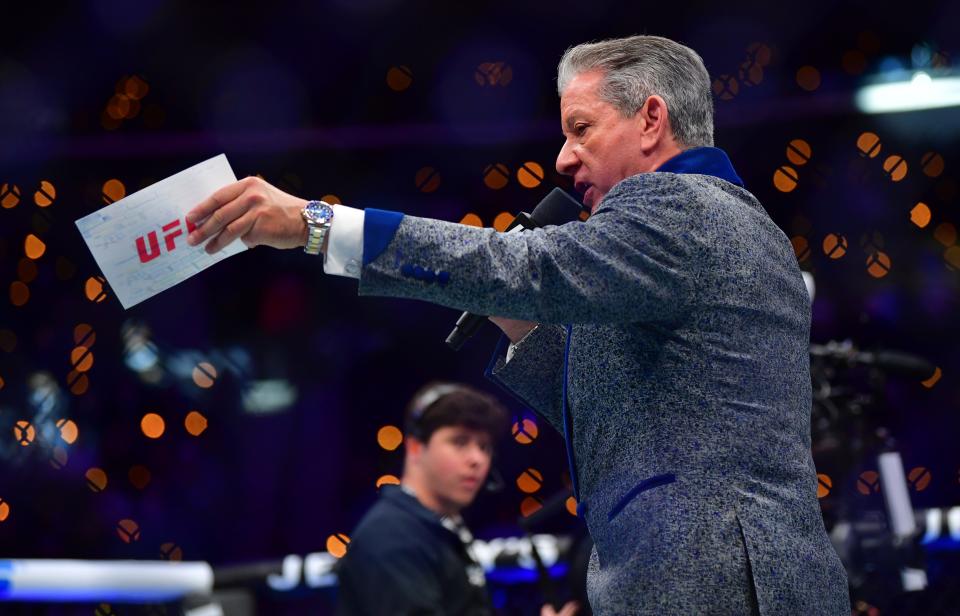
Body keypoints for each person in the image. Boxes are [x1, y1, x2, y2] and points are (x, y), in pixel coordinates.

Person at [186, 35, 850, 615]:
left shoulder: (681, 206)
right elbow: (633, 412)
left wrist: (318, 225)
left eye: (581, 129)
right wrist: (521, 320)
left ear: (652, 119)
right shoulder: (726, 224)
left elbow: (525, 263)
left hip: (712, 578)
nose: (563, 158)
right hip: (729, 573)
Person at [334, 382, 579, 616]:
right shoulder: (391, 537)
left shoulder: (436, 527)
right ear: (416, 447)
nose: (478, 459)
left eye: (484, 446)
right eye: (460, 442)